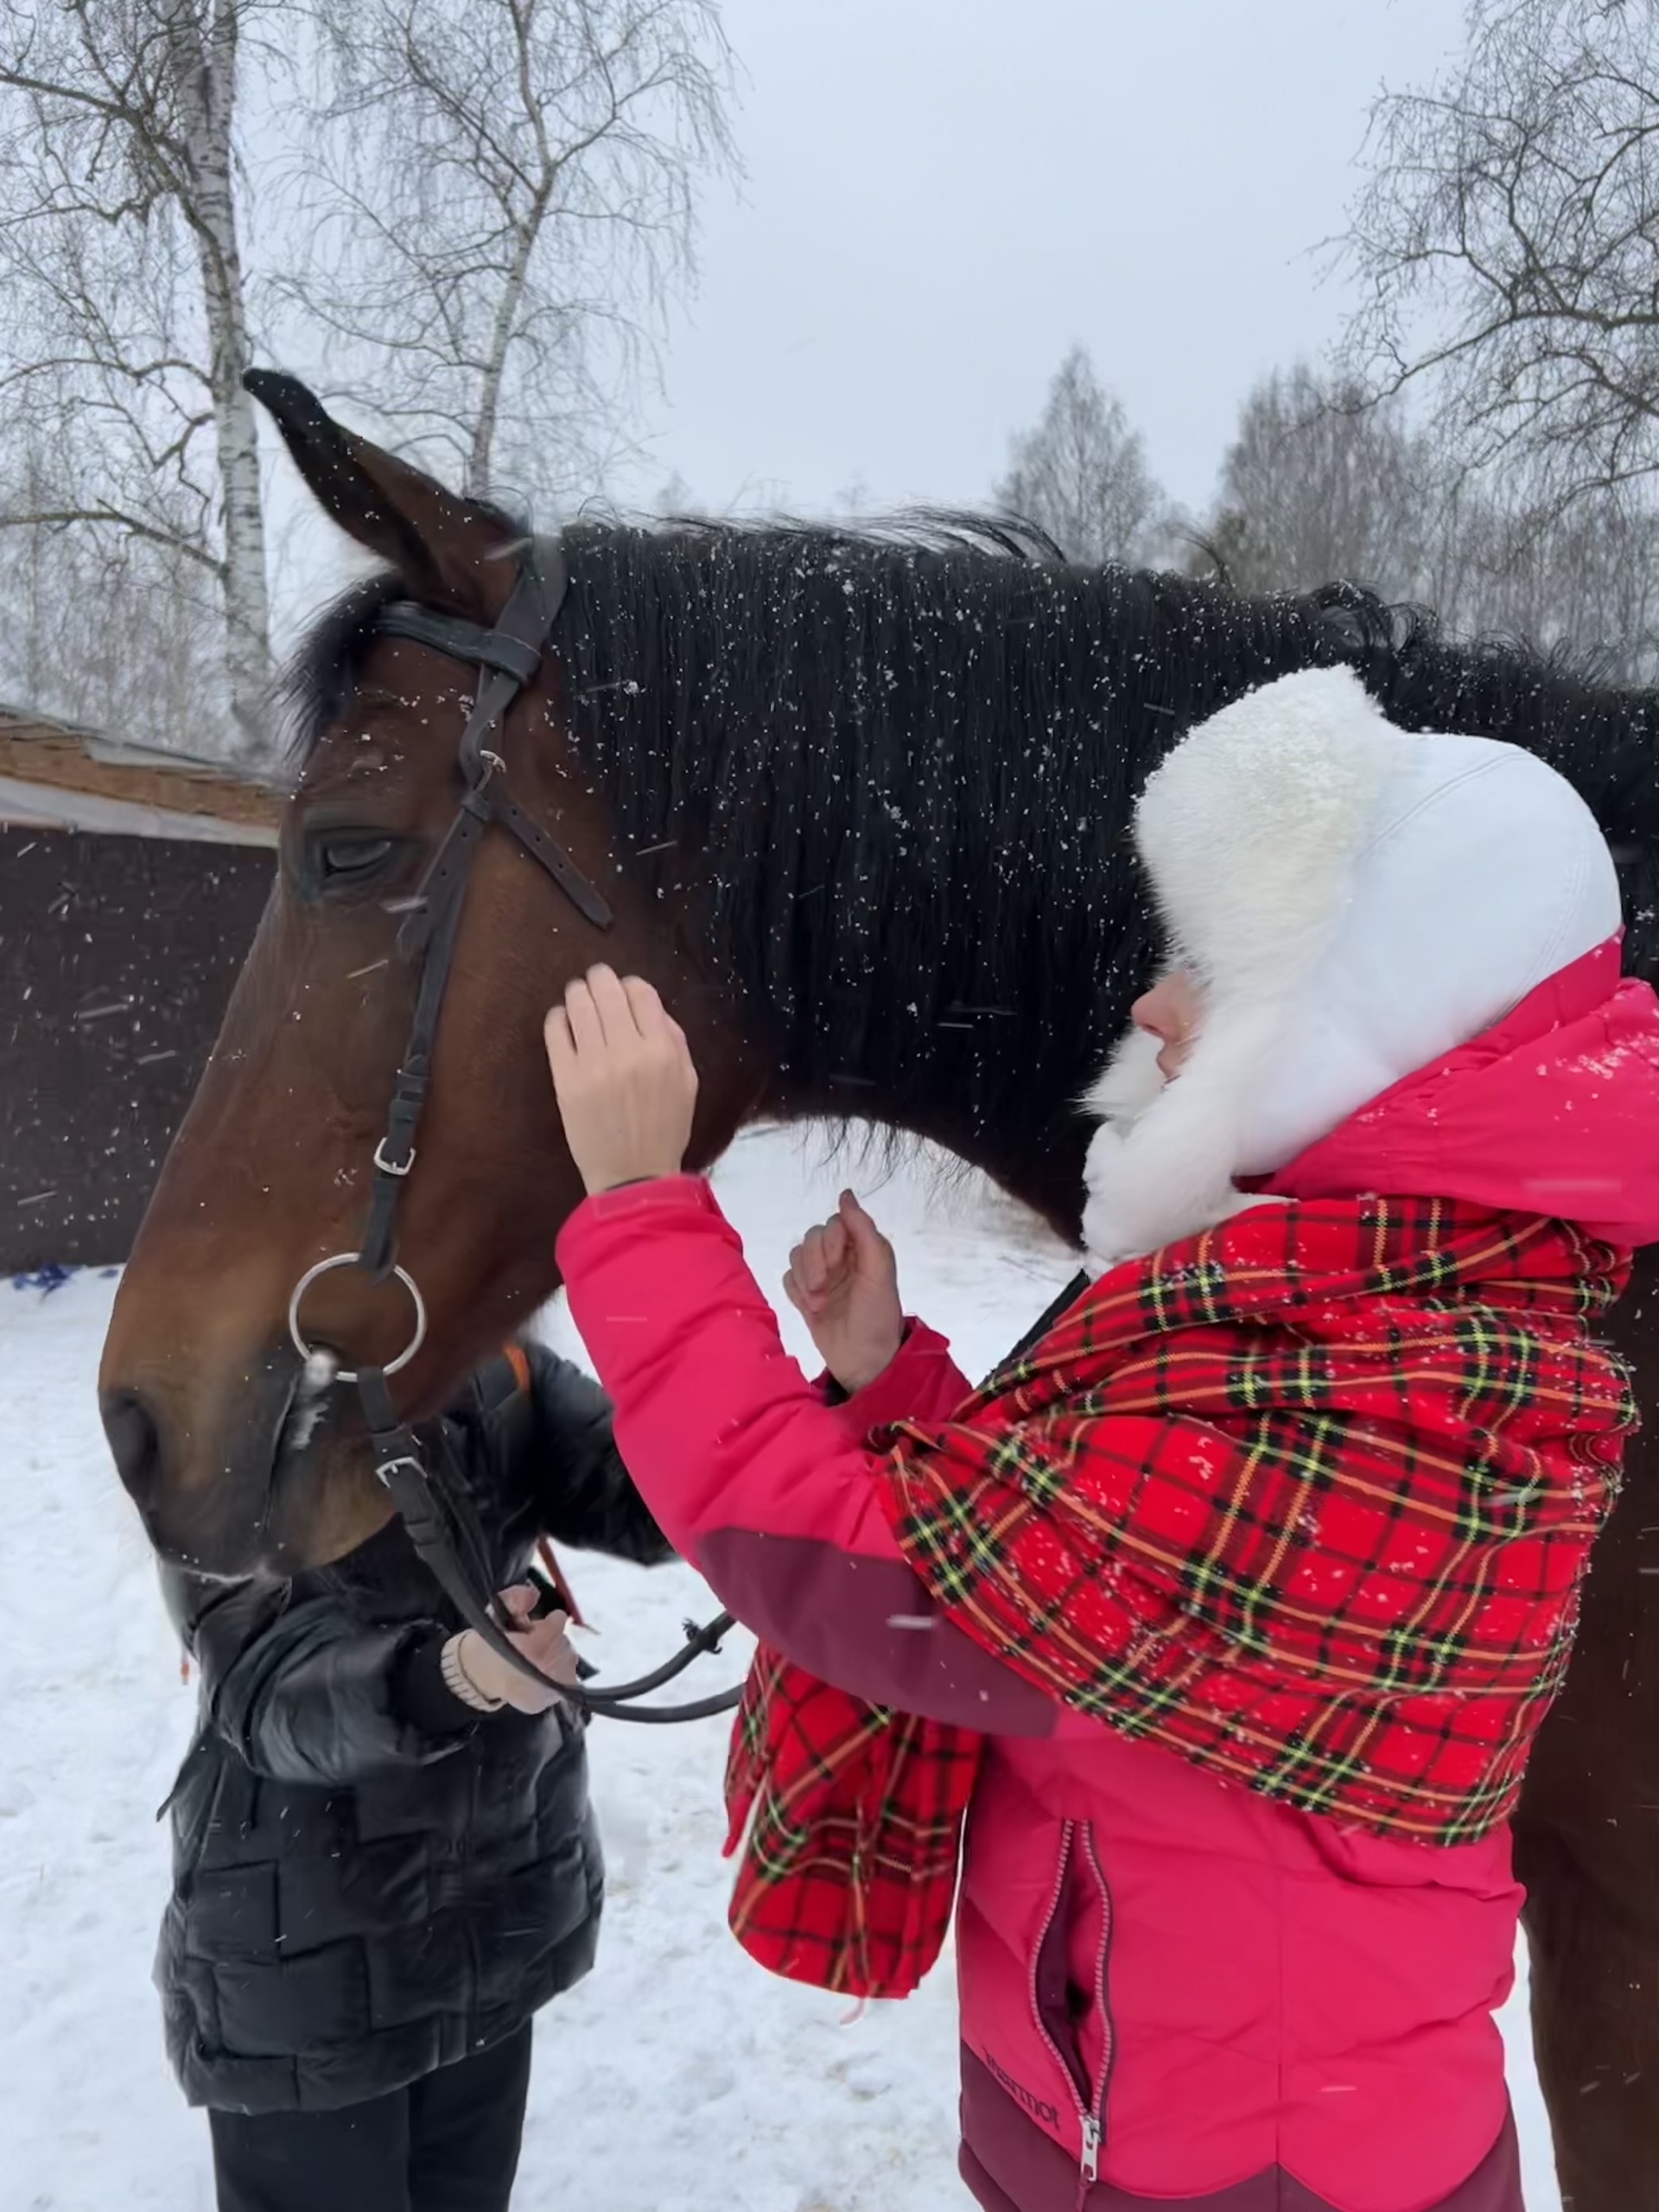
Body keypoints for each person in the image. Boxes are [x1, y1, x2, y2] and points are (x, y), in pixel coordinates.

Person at [539, 666, 1659, 2212]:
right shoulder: (1341, 1317)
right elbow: (1087, 1589)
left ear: (1376, 1024)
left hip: (1242, 2175)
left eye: (1224, 969)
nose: (1153, 1004)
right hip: (1127, 2107)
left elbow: (863, 1580)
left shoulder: (1388, 1402)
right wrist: (891, 1387)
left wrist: (640, 1207)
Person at [156, 1338, 672, 2212]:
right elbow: (263, 1685)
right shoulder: (222, 1400)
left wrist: (820, 1400)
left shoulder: (494, 1359)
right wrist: (457, 1677)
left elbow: (649, 1497)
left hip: (493, 1912)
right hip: (306, 1960)